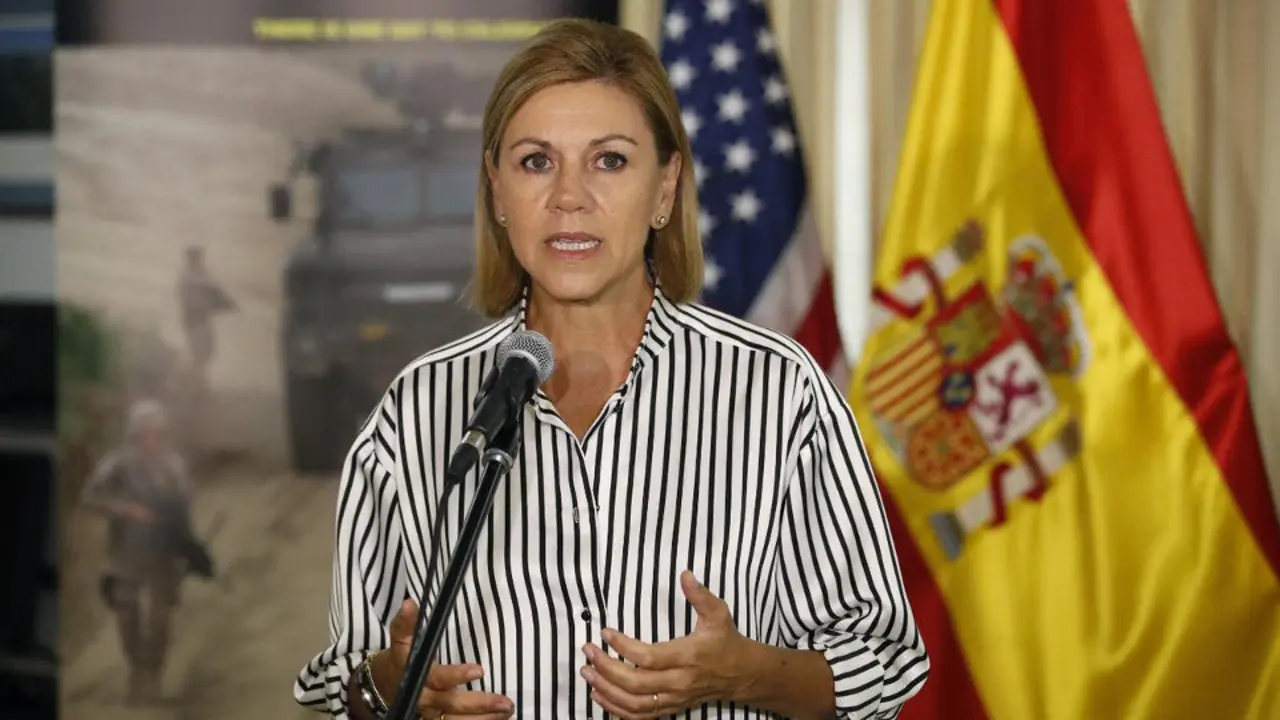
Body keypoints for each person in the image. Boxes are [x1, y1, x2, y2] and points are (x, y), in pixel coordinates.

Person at [294, 18, 929, 720]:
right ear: (498, 192)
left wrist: (748, 674)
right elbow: (346, 684)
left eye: (610, 161)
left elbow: (885, 662)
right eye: (536, 161)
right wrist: (385, 686)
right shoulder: (418, 408)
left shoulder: (778, 392)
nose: (569, 196)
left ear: (665, 188)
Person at [81, 398, 210, 703]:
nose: (152, 439)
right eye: (146, 433)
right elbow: (90, 497)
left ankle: (153, 676)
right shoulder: (117, 464)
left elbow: (184, 511)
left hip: (164, 553)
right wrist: (126, 509)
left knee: (160, 619)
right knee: (127, 616)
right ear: (135, 435)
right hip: (126, 552)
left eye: (157, 432)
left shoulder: (173, 466)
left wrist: (188, 552)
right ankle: (136, 671)